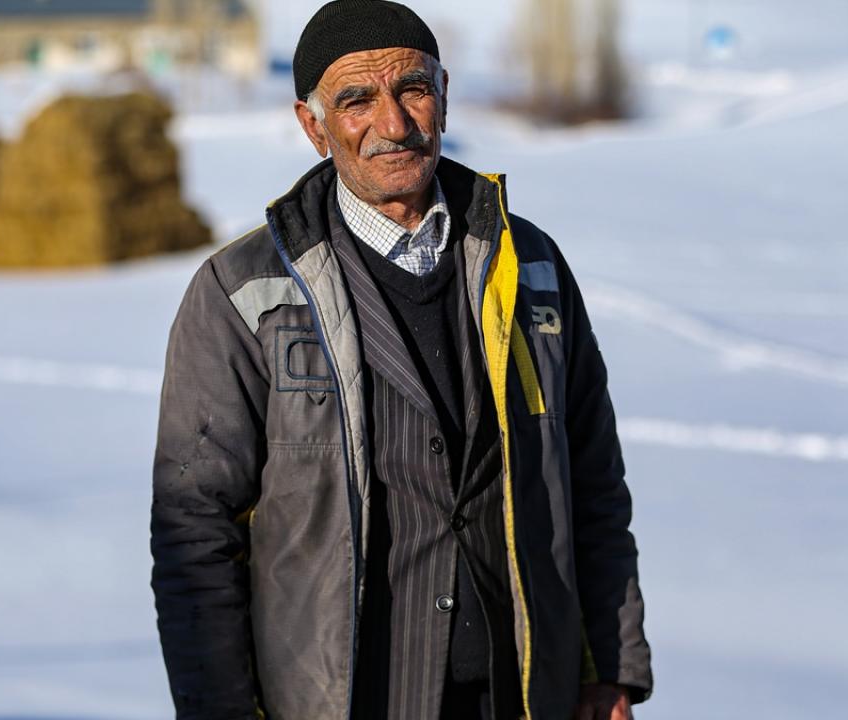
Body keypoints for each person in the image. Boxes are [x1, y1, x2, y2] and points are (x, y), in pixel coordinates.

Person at [150, 2, 652, 718]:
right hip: (345, 698)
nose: (393, 124)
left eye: (412, 89)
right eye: (356, 99)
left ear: (443, 93)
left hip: (522, 690)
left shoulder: (530, 264)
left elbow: (592, 482)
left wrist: (609, 669)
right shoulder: (243, 293)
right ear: (312, 125)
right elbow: (194, 529)